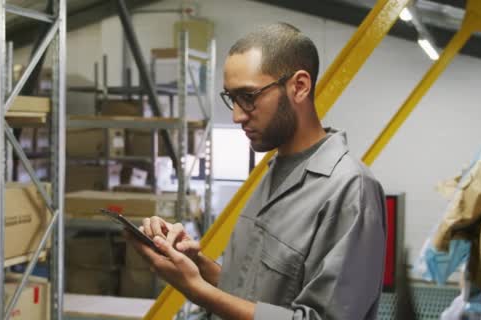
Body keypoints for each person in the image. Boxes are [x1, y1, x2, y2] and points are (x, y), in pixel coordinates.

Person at [125, 22, 387, 320]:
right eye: (232, 99)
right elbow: (254, 293)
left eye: (248, 97)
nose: (237, 115)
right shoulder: (276, 172)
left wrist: (199, 291)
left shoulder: (351, 189)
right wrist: (196, 265)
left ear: (299, 86)